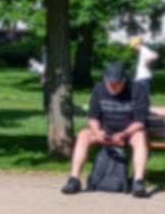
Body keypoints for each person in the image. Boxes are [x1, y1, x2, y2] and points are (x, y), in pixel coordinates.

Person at [61, 62, 150, 197]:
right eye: (110, 84)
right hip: (105, 132)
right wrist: (97, 132)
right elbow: (93, 117)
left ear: (124, 80)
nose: (113, 87)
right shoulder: (99, 89)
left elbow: (140, 121)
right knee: (83, 135)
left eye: (117, 84)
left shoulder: (138, 90)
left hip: (129, 132)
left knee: (140, 137)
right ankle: (74, 179)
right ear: (105, 80)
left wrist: (125, 133)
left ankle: (139, 182)